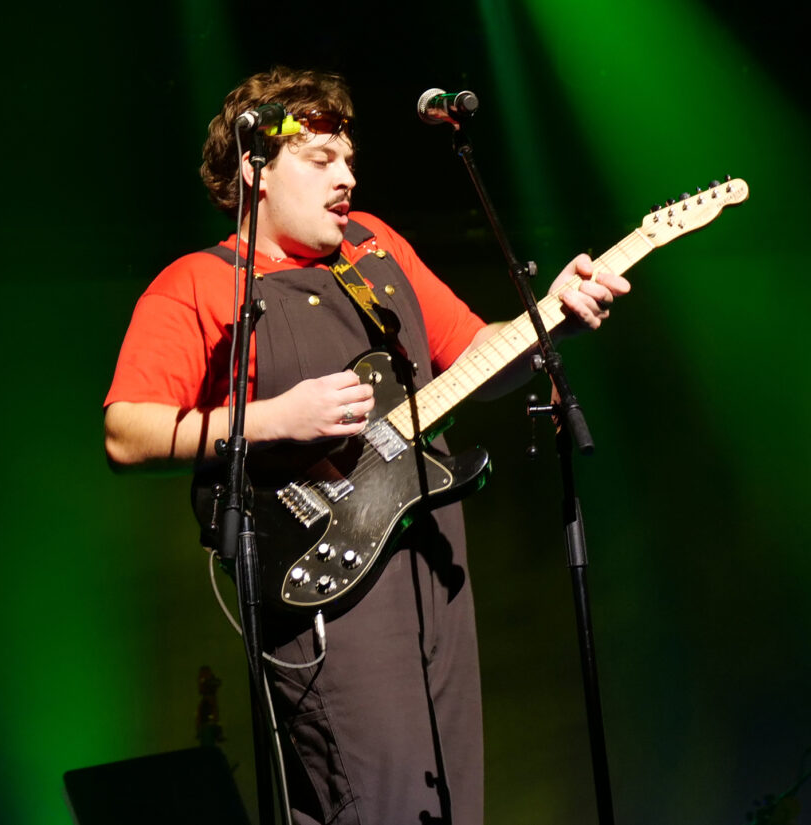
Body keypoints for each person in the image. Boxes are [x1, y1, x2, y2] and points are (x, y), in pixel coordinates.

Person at [103, 67, 629, 825]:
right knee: (375, 802)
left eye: (349, 159)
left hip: (432, 565)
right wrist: (276, 417)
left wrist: (553, 320)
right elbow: (127, 429)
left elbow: (479, 357)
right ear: (255, 172)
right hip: (324, 586)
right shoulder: (200, 282)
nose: (346, 177)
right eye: (320, 161)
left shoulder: (376, 248)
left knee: (449, 799)